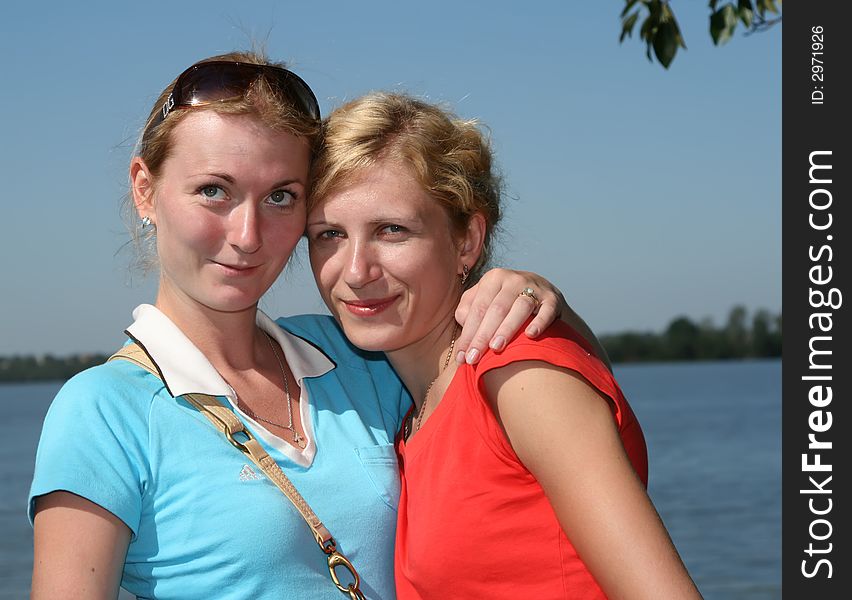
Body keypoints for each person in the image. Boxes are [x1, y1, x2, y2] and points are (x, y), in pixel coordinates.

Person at [28, 52, 595, 600]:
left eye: (281, 196)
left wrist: (542, 300)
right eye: (213, 191)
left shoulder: (353, 352)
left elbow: (565, 414)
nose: (248, 234)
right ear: (145, 190)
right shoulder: (105, 411)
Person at [306, 92, 704, 599]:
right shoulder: (417, 411)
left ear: (467, 241)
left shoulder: (518, 375)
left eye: (392, 230)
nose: (356, 271)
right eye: (329, 235)